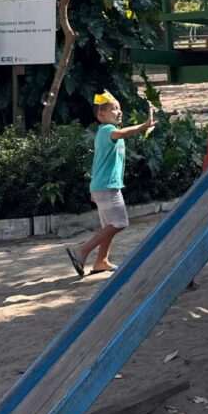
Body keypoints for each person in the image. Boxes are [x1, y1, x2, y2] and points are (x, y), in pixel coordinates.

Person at [65, 91, 155, 278]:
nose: (119, 112)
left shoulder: (106, 132)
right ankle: (82, 251)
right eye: (114, 109)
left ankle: (101, 261)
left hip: (103, 186)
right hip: (107, 187)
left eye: (119, 109)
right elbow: (123, 133)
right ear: (101, 114)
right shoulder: (107, 130)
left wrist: (93, 187)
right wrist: (143, 126)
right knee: (119, 223)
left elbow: (98, 161)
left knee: (108, 226)